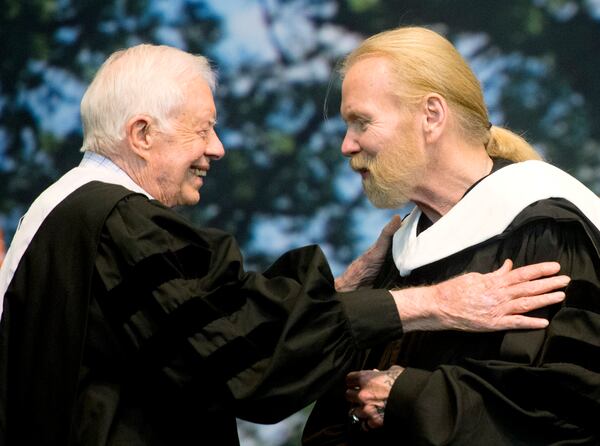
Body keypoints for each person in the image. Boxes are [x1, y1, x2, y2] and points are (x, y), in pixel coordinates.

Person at [0, 44, 568, 446]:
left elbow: (205, 325)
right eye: (203, 130)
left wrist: (340, 290)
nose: (217, 149)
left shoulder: (66, 217)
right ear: (142, 134)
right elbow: (238, 354)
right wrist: (431, 303)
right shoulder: (116, 220)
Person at [302, 26, 600, 446]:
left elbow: (568, 402)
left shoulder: (546, 231)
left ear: (432, 115)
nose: (347, 145)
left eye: (361, 122)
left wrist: (407, 395)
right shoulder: (395, 256)